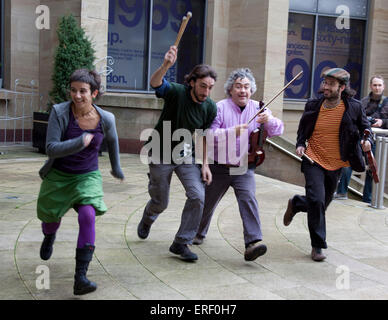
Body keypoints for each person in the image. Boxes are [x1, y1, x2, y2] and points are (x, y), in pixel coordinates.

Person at [37, 69, 125, 295]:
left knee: (88, 216)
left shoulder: (106, 118)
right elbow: (51, 148)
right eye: (73, 90)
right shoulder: (59, 112)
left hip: (87, 176)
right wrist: (79, 142)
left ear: (94, 93)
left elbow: (113, 142)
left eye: (83, 91)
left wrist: (116, 167)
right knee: (50, 220)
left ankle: (81, 278)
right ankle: (49, 235)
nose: (77, 96)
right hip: (59, 174)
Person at [192, 68, 284, 261]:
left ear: (252, 90)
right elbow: (208, 135)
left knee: (248, 199)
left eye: (247, 87)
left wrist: (270, 120)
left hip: (244, 167)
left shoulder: (259, 108)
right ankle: (198, 232)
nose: (243, 90)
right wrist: (231, 131)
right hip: (219, 166)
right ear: (230, 90)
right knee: (207, 202)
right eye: (238, 86)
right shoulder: (219, 108)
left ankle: (253, 242)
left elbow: (278, 130)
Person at [137, 45, 217, 262]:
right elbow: (155, 83)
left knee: (198, 195)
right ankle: (149, 217)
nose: (206, 92)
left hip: (185, 155)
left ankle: (181, 242)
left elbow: (202, 136)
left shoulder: (209, 107)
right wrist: (165, 65)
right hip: (160, 152)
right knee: (161, 202)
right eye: (202, 86)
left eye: (210, 88)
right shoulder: (176, 93)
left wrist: (206, 165)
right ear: (191, 82)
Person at [282, 68, 372, 262]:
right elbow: (302, 129)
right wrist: (300, 144)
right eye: (325, 83)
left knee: (322, 204)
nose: (326, 87)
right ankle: (317, 247)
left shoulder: (353, 107)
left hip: (337, 164)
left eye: (331, 84)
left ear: (342, 87)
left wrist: (368, 141)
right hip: (313, 159)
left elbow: (366, 128)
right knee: (316, 201)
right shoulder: (314, 105)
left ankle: (297, 203)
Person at [335, 75, 388, 202]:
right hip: (360, 137)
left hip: (379, 141)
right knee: (348, 162)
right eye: (375, 85)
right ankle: (342, 192)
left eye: (379, 85)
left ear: (384, 86)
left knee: (372, 168)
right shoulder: (363, 102)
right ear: (370, 86)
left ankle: (368, 199)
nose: (377, 87)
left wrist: (383, 122)